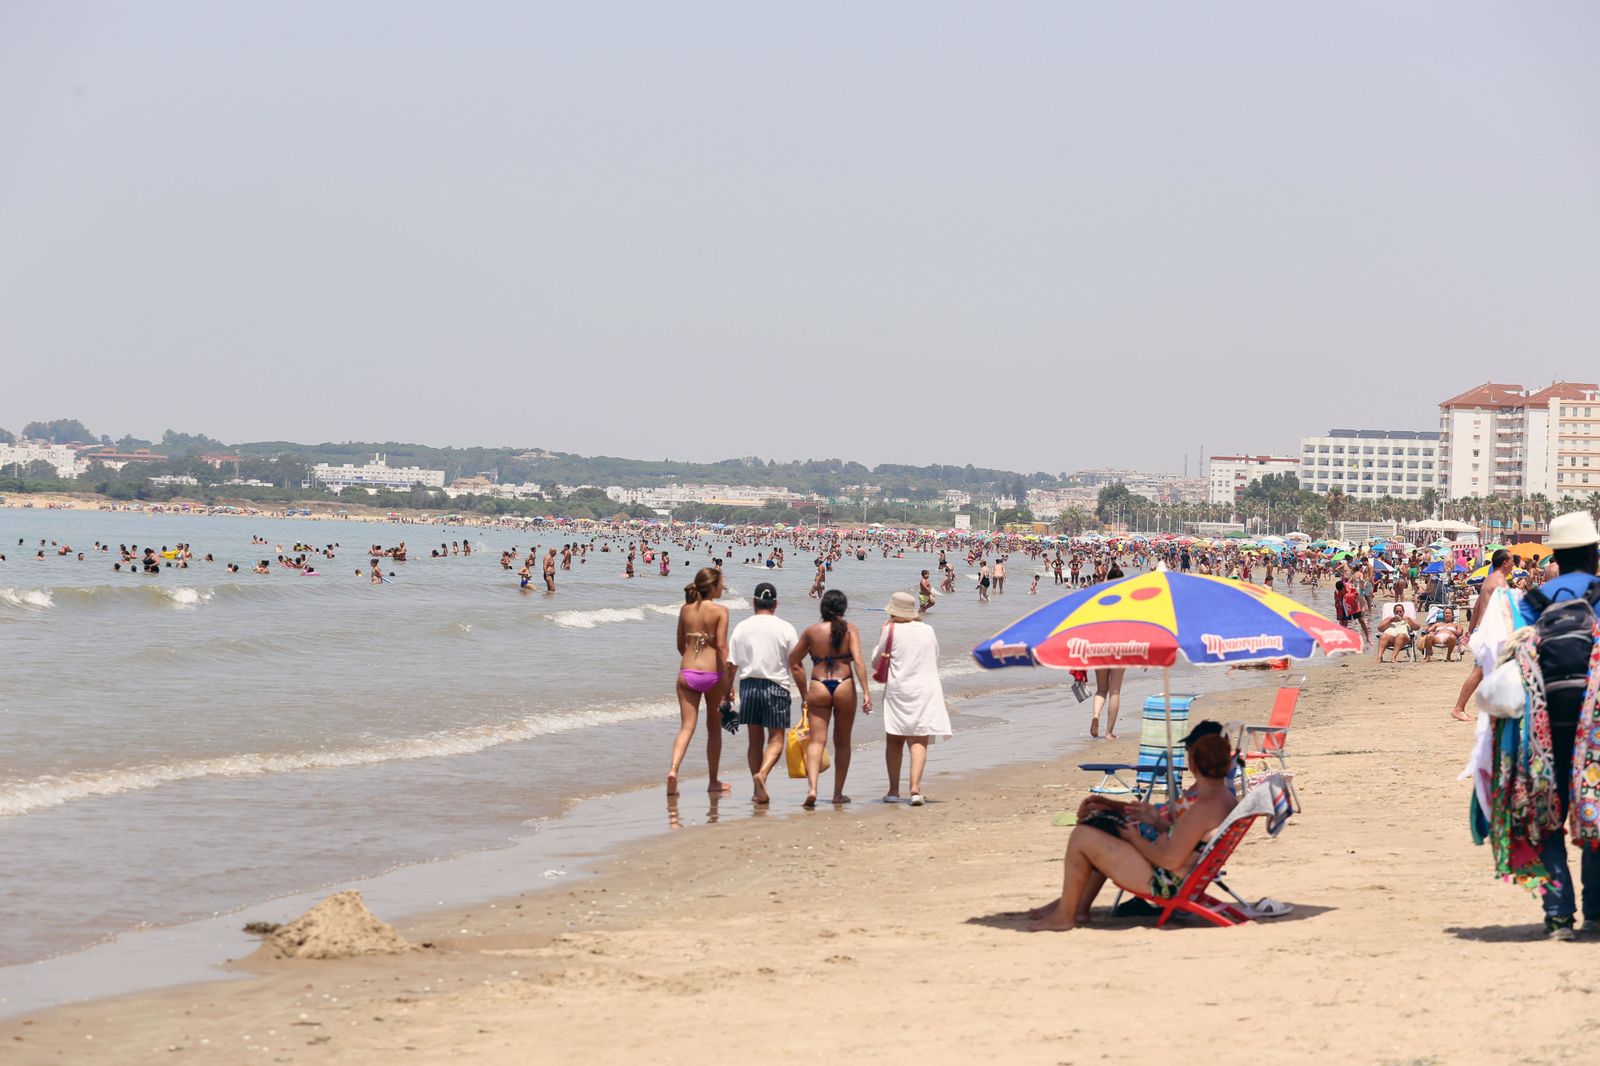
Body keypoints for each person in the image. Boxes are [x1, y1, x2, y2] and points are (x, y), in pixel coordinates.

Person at [1026, 728, 1235, 931]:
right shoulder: (1224, 800)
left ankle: (1064, 916)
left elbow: (1169, 860)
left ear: (1193, 764)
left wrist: (1132, 837)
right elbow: (1188, 840)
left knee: (1082, 837)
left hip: (1166, 882)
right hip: (1184, 876)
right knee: (1104, 831)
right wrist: (1156, 823)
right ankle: (1076, 908)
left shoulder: (1202, 809)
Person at [1511, 512, 1600, 938]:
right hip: (1595, 723)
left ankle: (1559, 915)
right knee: (1596, 808)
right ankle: (1597, 911)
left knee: (1549, 812)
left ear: (1557, 557)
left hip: (1545, 722)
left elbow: (1512, 661)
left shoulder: (1534, 600)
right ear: (1594, 554)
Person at [787, 589, 872, 808]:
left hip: (818, 685)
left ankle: (812, 789)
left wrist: (804, 692)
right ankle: (837, 793)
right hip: (844, 685)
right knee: (842, 743)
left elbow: (794, 661)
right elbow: (859, 661)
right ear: (843, 608)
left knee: (816, 740)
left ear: (822, 607)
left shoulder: (812, 631)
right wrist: (866, 692)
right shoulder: (850, 630)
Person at [872, 591, 951, 805]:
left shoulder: (890, 630)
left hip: (899, 689)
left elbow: (876, 661)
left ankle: (893, 790)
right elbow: (934, 655)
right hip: (926, 688)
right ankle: (915, 790)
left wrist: (883, 633)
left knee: (895, 738)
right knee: (919, 738)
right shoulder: (927, 629)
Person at [727, 582, 801, 805]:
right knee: (776, 739)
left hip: (749, 686)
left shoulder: (742, 627)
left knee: (754, 741)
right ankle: (763, 774)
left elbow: (730, 665)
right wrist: (806, 695)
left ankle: (756, 788)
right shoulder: (786, 628)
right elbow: (795, 665)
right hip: (776, 687)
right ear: (775, 604)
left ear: (753, 602)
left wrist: (727, 691)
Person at [667, 567, 731, 797]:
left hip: (687, 673)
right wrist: (728, 684)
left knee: (686, 727)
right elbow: (722, 647)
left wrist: (692, 659)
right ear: (712, 587)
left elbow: (679, 645)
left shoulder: (685, 610)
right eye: (721, 583)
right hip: (712, 675)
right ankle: (713, 781)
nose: (723, 587)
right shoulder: (721, 611)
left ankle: (673, 770)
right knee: (714, 728)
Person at [1091, 666, 1125, 739]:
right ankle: (1109, 733)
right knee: (1115, 693)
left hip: (1101, 656)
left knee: (1101, 690)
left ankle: (1096, 715)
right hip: (1119, 657)